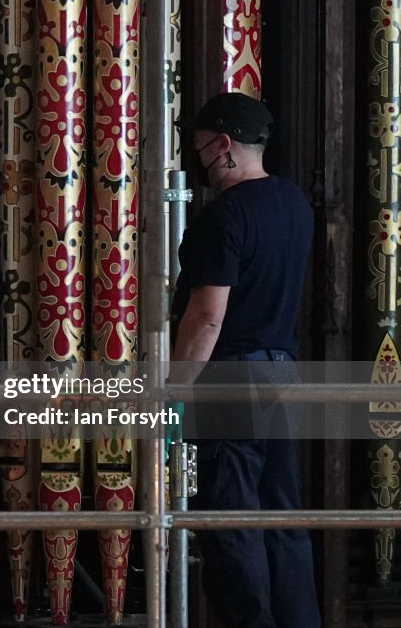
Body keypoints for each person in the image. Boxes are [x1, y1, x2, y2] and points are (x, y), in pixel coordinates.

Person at [171, 92, 320, 627]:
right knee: (282, 515)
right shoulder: (294, 203)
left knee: (232, 518)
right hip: (281, 369)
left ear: (223, 144)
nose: (198, 158)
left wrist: (174, 388)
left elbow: (207, 317)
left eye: (199, 146)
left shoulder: (224, 215)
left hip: (231, 375)